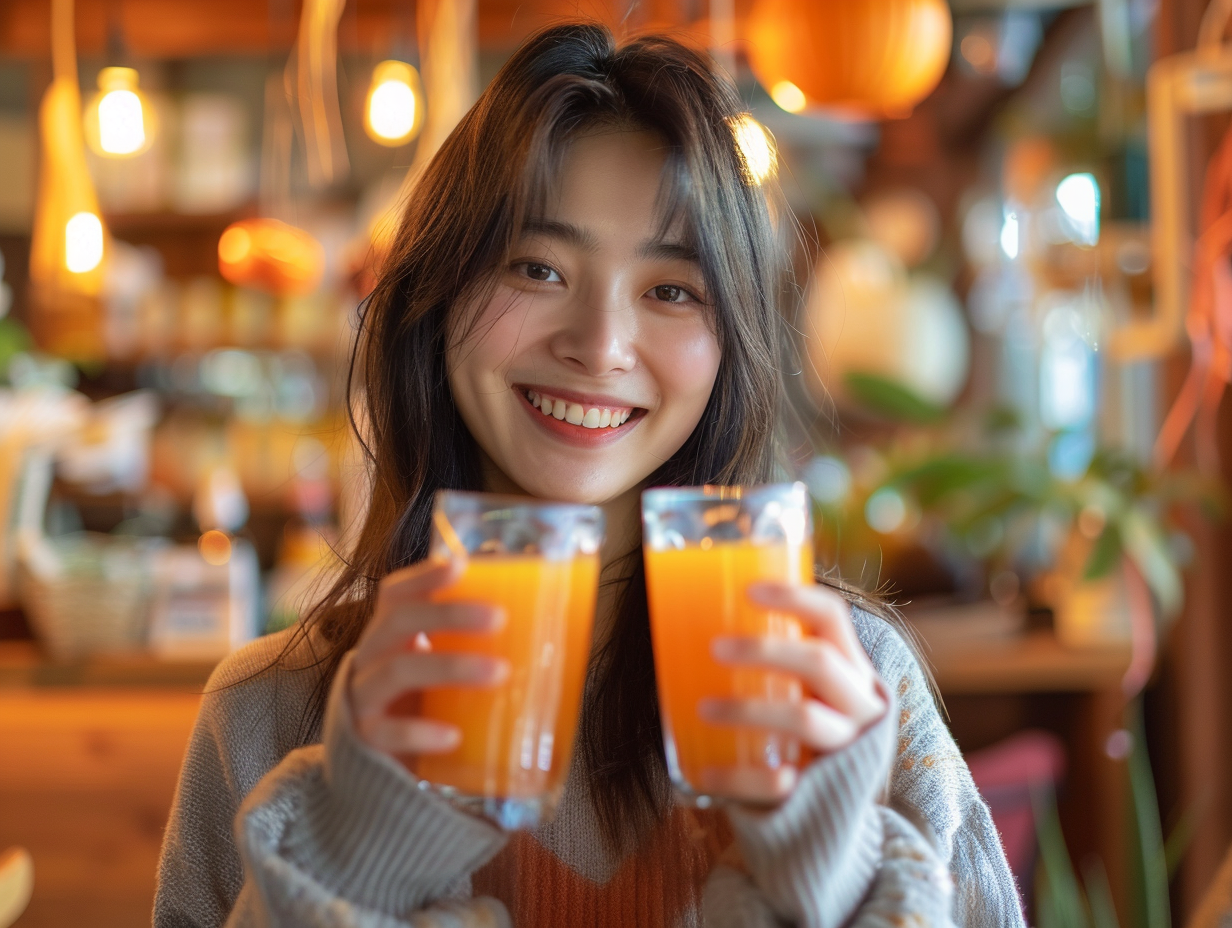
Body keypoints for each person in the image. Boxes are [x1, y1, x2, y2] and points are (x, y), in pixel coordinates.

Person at [155, 23, 1024, 928]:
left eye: (671, 290)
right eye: (537, 268)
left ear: (730, 346)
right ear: (436, 297)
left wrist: (827, 875)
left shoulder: (843, 691)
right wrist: (353, 860)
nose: (600, 347)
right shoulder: (265, 714)